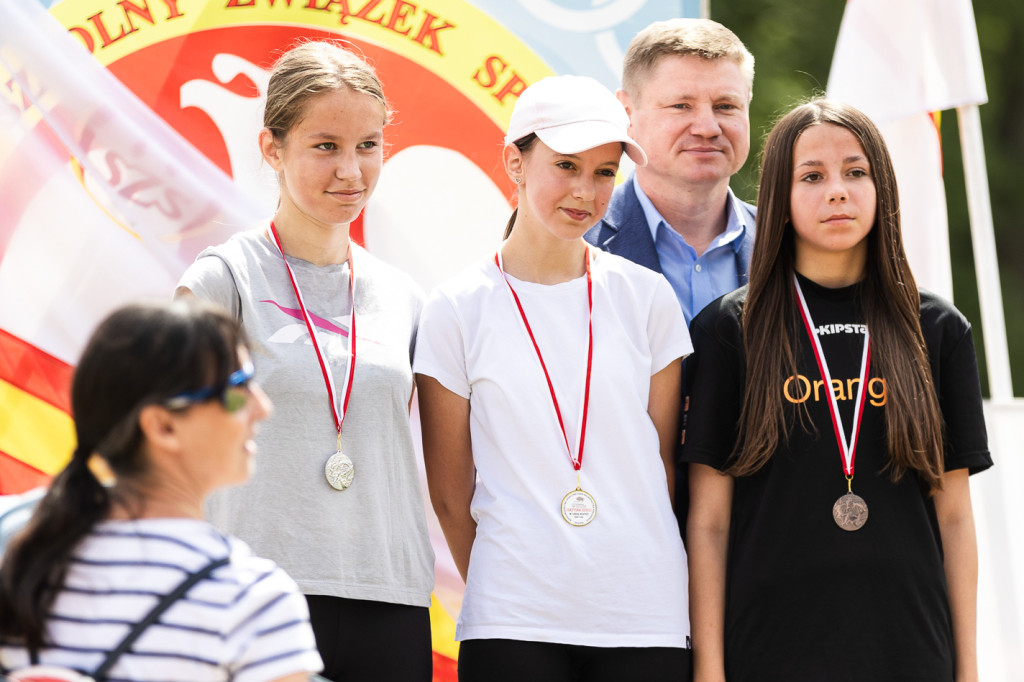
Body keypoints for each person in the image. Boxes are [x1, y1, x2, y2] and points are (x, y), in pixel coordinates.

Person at [683, 99, 992, 682]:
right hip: (767, 649)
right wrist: (710, 669)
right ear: (779, 196)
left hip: (910, 650)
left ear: (883, 188)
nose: (837, 191)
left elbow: (953, 517)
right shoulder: (729, 329)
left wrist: (968, 670)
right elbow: (709, 521)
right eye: (812, 176)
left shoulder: (937, 328)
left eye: (856, 172)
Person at [415, 75, 693, 681]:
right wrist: (512, 584)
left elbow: (665, 469)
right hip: (513, 620)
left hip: (646, 616)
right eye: (565, 165)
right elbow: (448, 495)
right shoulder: (456, 307)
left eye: (603, 172)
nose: (585, 191)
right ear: (515, 159)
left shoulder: (647, 298)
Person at [175, 41, 434, 681]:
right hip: (252, 597)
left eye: (368, 145)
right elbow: (165, 444)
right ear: (272, 148)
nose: (351, 170)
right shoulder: (221, 279)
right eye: (326, 146)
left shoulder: (403, 296)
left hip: (389, 597)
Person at [0, 299, 323, 681]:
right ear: (163, 427)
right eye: (237, 390)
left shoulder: (18, 555)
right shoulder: (250, 598)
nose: (263, 406)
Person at [585, 17, 756, 326]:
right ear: (627, 114)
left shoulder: (790, 245)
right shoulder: (575, 247)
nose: (707, 128)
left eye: (726, 106)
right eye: (681, 105)